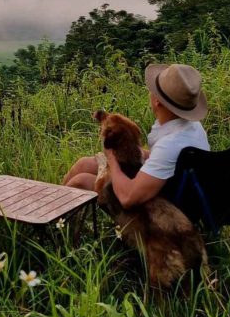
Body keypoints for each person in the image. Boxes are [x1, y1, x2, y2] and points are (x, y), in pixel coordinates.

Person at [62, 63, 209, 208]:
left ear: (157, 101)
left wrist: (112, 157)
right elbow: (167, 161)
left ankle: (54, 222)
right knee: (84, 164)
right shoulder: (192, 127)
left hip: (155, 206)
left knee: (80, 181)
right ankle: (53, 202)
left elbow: (128, 198)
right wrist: (133, 151)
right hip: (167, 185)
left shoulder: (169, 145)